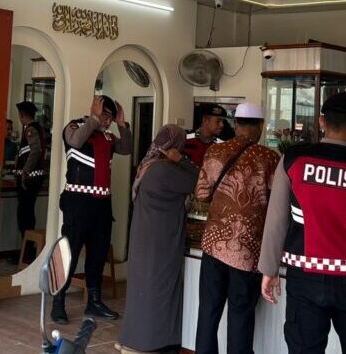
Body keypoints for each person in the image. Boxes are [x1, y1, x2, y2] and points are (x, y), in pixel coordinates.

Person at [259, 92, 346, 354]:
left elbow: (276, 221)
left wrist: (269, 269)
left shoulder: (293, 160)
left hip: (304, 279)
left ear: (321, 121)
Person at [195, 102, 280, 354]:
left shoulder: (214, 151)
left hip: (214, 243)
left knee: (208, 311)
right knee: (241, 314)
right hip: (247, 248)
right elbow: (277, 207)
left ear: (235, 124)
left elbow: (201, 194)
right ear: (261, 126)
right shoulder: (270, 158)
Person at [117, 124, 198, 354]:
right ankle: (153, 341)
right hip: (161, 241)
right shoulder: (164, 170)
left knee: (142, 292)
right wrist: (182, 160)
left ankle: (133, 337)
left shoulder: (147, 165)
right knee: (159, 290)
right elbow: (200, 182)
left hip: (144, 237)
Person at [53, 95, 132, 323]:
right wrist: (95, 119)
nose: (107, 122)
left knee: (98, 254)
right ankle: (58, 303)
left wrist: (121, 124)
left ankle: (94, 302)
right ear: (94, 110)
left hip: (102, 205)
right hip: (78, 203)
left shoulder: (108, 137)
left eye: (110, 118)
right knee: (70, 252)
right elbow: (75, 142)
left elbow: (126, 148)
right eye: (104, 116)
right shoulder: (75, 127)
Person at [15, 101, 47, 263]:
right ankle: (26, 251)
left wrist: (25, 171)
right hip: (33, 178)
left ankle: (26, 253)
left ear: (22, 114)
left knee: (24, 216)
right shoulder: (36, 128)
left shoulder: (31, 130)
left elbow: (35, 151)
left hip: (30, 179)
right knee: (26, 215)